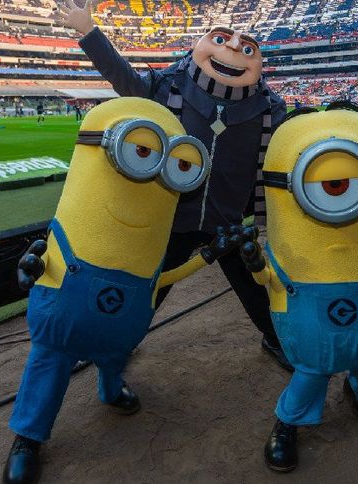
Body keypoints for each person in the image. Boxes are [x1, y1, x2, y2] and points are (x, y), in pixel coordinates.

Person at [53, 0, 288, 372]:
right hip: (173, 215)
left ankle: (275, 337)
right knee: (149, 286)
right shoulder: (169, 86)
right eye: (220, 39)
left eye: (247, 48)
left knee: (252, 286)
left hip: (226, 220)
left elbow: (285, 153)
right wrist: (90, 33)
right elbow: (126, 81)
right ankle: (119, 338)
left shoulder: (268, 109)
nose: (232, 48)